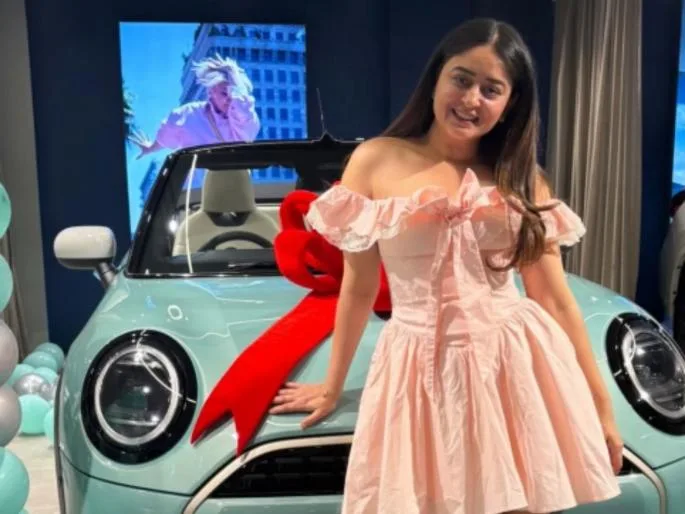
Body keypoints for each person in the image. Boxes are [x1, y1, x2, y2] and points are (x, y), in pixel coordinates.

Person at [270, 18, 623, 514]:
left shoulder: (522, 178)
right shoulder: (376, 160)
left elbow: (553, 298)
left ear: (509, 104)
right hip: (417, 365)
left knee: (517, 501)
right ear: (436, 78)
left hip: (512, 363)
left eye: (492, 89)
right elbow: (358, 286)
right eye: (462, 79)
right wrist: (332, 386)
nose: (472, 99)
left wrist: (601, 406)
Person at [129, 54, 261, 158]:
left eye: (234, 94)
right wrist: (150, 148)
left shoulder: (244, 120)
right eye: (225, 93)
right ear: (211, 91)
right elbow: (166, 136)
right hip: (196, 183)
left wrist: (236, 83)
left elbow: (245, 116)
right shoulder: (188, 113)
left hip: (232, 182)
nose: (230, 99)